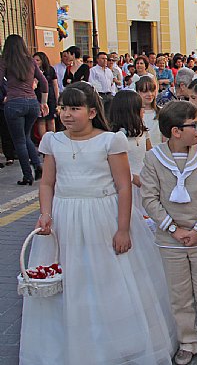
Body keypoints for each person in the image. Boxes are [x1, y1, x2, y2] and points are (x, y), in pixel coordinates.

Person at [23, 82, 175, 364]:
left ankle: (116, 343)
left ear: (92, 111)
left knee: (108, 278)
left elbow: (123, 187)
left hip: (102, 215)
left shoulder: (110, 140)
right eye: (63, 108)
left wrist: (123, 227)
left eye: (75, 108)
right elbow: (47, 183)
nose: (67, 114)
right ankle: (69, 345)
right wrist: (45, 213)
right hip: (64, 216)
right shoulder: (53, 141)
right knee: (69, 278)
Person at [141, 100, 197, 365]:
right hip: (170, 239)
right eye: (194, 125)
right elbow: (149, 198)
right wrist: (174, 229)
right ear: (176, 131)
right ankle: (187, 340)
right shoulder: (153, 158)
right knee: (179, 294)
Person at [0, 35, 48, 185]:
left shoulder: (5, 61)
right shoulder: (30, 61)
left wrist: (7, 94)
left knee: (19, 140)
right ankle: (37, 165)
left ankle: (27, 175)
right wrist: (44, 103)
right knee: (26, 136)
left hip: (14, 103)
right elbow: (44, 82)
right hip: (32, 102)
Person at [109, 91, 154, 231]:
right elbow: (116, 166)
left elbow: (150, 153)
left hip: (144, 181)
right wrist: (135, 179)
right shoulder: (117, 136)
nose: (143, 111)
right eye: (141, 108)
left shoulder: (142, 131)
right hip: (128, 184)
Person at [33, 51, 58, 139]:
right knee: (41, 120)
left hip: (50, 98)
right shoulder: (32, 71)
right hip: (38, 97)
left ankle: (52, 140)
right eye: (34, 60)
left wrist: (57, 99)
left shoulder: (50, 70)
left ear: (43, 61)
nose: (35, 62)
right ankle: (43, 141)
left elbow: (55, 85)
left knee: (51, 120)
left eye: (37, 60)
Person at [137, 76, 164, 146]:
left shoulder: (161, 112)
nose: (149, 94)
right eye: (145, 91)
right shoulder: (134, 114)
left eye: (152, 90)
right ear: (138, 92)